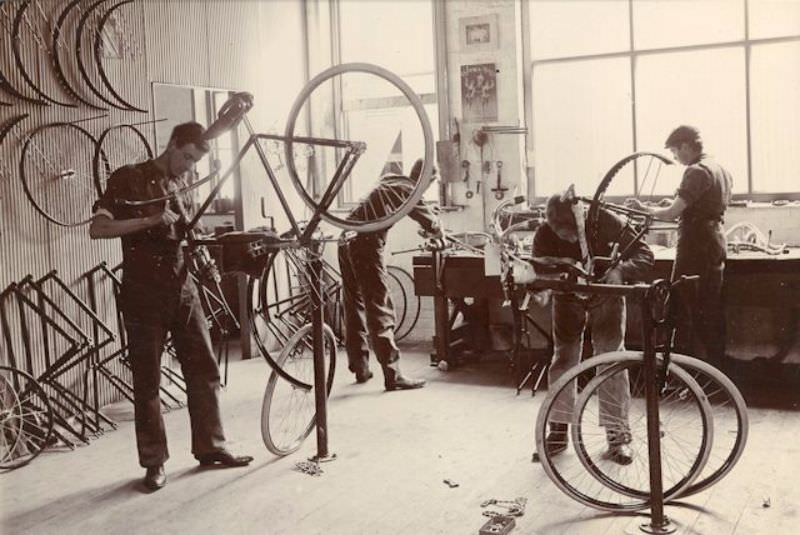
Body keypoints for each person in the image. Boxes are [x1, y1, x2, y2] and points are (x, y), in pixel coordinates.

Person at [89, 122, 252, 491]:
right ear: (173, 144)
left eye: (195, 162)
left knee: (205, 369)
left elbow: (187, 234)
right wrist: (149, 219)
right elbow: (97, 230)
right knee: (148, 381)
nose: (189, 167)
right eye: (187, 157)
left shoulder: (183, 187)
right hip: (143, 294)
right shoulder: (129, 178)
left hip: (183, 289)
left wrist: (204, 254)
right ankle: (154, 463)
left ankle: (211, 447)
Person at [532, 188, 654, 465]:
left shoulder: (606, 221)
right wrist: (551, 276)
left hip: (607, 296)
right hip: (568, 298)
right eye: (559, 234)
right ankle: (559, 431)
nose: (564, 237)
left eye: (569, 232)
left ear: (579, 219)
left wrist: (621, 270)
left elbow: (645, 254)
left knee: (611, 360)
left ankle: (617, 437)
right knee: (563, 359)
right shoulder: (544, 233)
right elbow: (537, 268)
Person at [626, 125, 732, 367]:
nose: (675, 157)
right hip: (714, 241)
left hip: (696, 245)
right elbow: (700, 204)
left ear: (686, 146)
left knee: (682, 307)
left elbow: (672, 213)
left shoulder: (696, 171)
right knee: (709, 307)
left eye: (675, 152)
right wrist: (671, 205)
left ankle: (683, 372)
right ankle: (715, 372)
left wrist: (644, 209)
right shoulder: (719, 168)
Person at [338, 158, 443, 391]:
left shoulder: (391, 179)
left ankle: (360, 367)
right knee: (379, 307)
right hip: (365, 243)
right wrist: (437, 232)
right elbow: (432, 224)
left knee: (354, 304)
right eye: (430, 183)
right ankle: (393, 374)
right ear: (428, 178)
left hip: (345, 237)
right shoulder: (410, 190)